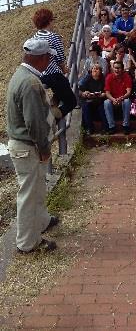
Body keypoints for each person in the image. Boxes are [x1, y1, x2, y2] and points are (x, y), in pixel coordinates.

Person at [7, 38, 58, 254]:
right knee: (28, 194)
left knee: (35, 188)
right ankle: (27, 243)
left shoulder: (21, 76)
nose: (49, 62)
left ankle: (42, 221)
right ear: (40, 58)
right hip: (27, 146)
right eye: (48, 57)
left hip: (22, 144)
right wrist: (45, 148)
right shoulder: (30, 83)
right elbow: (35, 122)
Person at [32, 7, 77, 119]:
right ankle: (51, 120)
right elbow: (60, 58)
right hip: (53, 75)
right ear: (49, 21)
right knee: (71, 102)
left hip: (39, 76)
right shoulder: (53, 37)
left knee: (61, 90)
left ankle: (53, 105)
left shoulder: (34, 38)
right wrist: (64, 69)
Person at [104, 61, 132, 134]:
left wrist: (122, 98)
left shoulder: (126, 77)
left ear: (122, 69)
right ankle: (111, 127)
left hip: (123, 99)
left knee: (127, 101)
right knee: (106, 102)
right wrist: (113, 99)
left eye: (118, 68)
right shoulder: (109, 77)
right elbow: (107, 93)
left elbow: (128, 92)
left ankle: (126, 126)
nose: (117, 70)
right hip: (113, 100)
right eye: (115, 68)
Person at [79, 64, 107, 134]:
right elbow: (79, 90)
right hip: (90, 100)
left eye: (97, 69)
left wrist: (103, 94)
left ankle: (105, 128)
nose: (94, 70)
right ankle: (89, 128)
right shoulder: (87, 78)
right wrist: (84, 93)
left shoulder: (103, 79)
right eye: (93, 68)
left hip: (100, 100)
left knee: (104, 106)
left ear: (100, 72)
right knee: (85, 106)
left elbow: (107, 91)